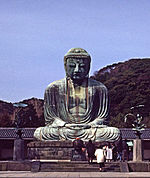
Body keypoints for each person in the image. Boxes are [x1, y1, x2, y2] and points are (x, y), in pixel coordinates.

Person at [34, 48, 120, 141]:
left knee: (113, 132)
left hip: (89, 129)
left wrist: (91, 125)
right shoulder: (53, 88)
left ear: (88, 67)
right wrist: (65, 125)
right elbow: (51, 119)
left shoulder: (99, 88)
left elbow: (102, 118)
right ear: (65, 66)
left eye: (82, 66)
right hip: (65, 129)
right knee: (40, 132)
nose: (77, 70)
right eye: (72, 66)